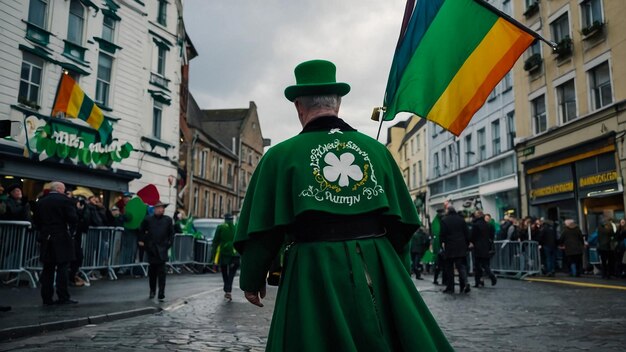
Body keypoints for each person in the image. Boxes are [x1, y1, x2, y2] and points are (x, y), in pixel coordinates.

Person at [234, 59, 452, 351]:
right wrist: (396, 274)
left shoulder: (278, 157)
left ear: (299, 107)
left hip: (312, 268)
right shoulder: (377, 151)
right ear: (337, 104)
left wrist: (252, 276)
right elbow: (401, 224)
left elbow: (262, 230)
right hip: (375, 265)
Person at [33, 181, 79, 305]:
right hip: (61, 237)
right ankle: (63, 296)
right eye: (63, 189)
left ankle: (46, 298)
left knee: (48, 268)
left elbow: (36, 220)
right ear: (59, 189)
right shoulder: (65, 200)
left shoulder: (41, 201)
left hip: (46, 237)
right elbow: (73, 218)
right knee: (62, 268)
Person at [139, 200, 174, 301]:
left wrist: (169, 244)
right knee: (152, 272)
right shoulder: (148, 219)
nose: (161, 210)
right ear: (154, 209)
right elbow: (141, 230)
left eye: (162, 208)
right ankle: (152, 290)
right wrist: (142, 241)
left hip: (162, 248)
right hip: (152, 249)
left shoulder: (168, 220)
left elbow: (171, 234)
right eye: (158, 208)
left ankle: (161, 292)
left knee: (162, 272)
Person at [440, 206, 471, 294]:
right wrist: (467, 243)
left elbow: (442, 234)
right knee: (461, 266)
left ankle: (450, 287)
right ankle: (463, 284)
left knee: (449, 268)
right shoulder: (461, 220)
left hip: (450, 246)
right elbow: (467, 232)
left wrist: (442, 244)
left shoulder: (444, 220)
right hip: (461, 246)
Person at [211, 213, 240, 300]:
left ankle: (227, 288)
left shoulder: (221, 227)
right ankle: (228, 289)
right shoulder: (237, 226)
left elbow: (215, 241)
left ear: (225, 219)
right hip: (236, 252)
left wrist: (213, 256)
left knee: (224, 271)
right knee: (232, 272)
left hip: (224, 252)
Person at [470, 210, 497, 287]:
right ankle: (491, 276)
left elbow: (472, 236)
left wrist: (471, 242)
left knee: (477, 266)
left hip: (478, 247)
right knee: (485, 265)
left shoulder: (475, 225)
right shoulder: (488, 225)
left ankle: (478, 281)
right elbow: (491, 236)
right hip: (486, 247)